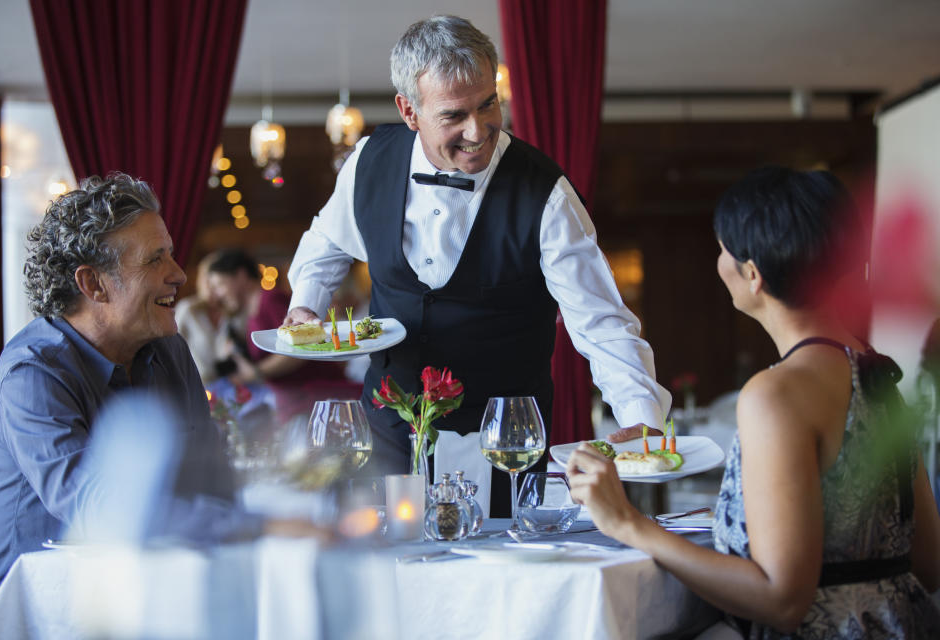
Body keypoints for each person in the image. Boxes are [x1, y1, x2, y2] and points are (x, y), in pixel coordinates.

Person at [284, 15, 670, 514]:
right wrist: (305, 306)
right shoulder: (368, 161)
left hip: (506, 440)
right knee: (389, 569)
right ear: (409, 111)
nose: (478, 130)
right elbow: (326, 240)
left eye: (488, 103)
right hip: (388, 427)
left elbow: (600, 319)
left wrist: (641, 415)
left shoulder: (544, 193)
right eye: (453, 115)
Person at [566, 167, 940, 638]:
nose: (717, 260)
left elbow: (781, 600)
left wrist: (627, 522)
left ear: (752, 274)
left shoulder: (776, 394)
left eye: (721, 247)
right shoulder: (877, 373)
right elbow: (927, 563)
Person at [0, 175, 321, 616]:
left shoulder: (169, 349)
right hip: (48, 613)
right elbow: (102, 509)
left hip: (154, 594)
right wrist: (261, 525)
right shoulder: (32, 374)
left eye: (171, 255)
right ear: (93, 284)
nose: (178, 274)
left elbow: (213, 482)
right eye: (155, 259)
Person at [207, 250, 350, 427]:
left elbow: (299, 349)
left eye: (220, 284)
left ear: (241, 276)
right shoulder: (253, 311)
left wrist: (256, 372)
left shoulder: (271, 299)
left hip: (314, 398)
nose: (218, 294)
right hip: (294, 401)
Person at [175, 250, 246, 384]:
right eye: (210, 280)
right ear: (202, 280)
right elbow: (172, 352)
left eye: (221, 281)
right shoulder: (188, 309)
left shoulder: (233, 312)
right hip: (195, 385)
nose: (215, 287)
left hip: (230, 385)